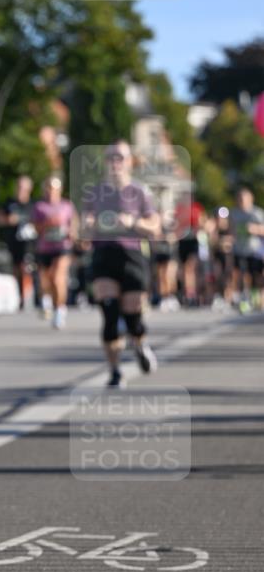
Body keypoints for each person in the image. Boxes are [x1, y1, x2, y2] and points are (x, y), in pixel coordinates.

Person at [81, 140, 160, 388]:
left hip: (132, 255)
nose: (115, 162)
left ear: (130, 162)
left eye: (120, 157)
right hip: (104, 253)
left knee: (133, 316)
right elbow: (82, 228)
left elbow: (155, 227)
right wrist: (89, 224)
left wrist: (132, 222)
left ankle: (139, 343)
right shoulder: (94, 193)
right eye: (111, 158)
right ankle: (115, 371)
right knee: (110, 313)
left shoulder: (140, 192)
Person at [33, 175, 77, 329]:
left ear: (59, 190)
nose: (51, 191)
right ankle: (51, 304)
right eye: (49, 188)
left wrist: (70, 232)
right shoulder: (39, 207)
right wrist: (47, 224)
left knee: (59, 278)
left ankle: (60, 311)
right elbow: (36, 228)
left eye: (54, 188)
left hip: (62, 246)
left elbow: (74, 226)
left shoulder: (67, 206)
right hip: (45, 247)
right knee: (47, 280)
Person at [0, 176, 39, 310]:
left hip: (30, 242)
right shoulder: (10, 203)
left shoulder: (34, 204)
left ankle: (32, 296)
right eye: (19, 187)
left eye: (24, 188)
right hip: (14, 241)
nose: (21, 190)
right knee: (17, 269)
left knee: (27, 267)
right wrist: (8, 220)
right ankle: (20, 296)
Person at [229, 186, 264, 313]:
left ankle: (258, 299)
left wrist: (254, 229)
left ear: (251, 199)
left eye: (244, 199)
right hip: (239, 249)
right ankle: (244, 299)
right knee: (241, 276)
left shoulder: (257, 213)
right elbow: (231, 230)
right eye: (239, 199)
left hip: (254, 250)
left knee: (257, 276)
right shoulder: (234, 213)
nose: (242, 201)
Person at [174, 190, 207, 306]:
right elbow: (175, 224)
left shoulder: (197, 208)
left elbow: (203, 223)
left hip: (193, 241)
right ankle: (186, 293)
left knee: (191, 267)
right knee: (183, 269)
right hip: (182, 241)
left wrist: (197, 226)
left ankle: (192, 293)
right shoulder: (179, 209)